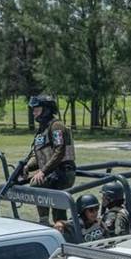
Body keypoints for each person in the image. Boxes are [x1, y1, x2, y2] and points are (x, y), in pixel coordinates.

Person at [21, 94, 76, 224]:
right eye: (33, 110)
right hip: (52, 172)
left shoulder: (56, 126)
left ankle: (54, 226)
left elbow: (59, 151)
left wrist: (42, 172)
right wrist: (27, 166)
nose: (34, 113)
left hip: (63, 173)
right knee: (38, 185)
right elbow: (39, 155)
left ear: (46, 109)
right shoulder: (42, 130)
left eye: (37, 109)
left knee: (56, 208)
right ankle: (45, 222)